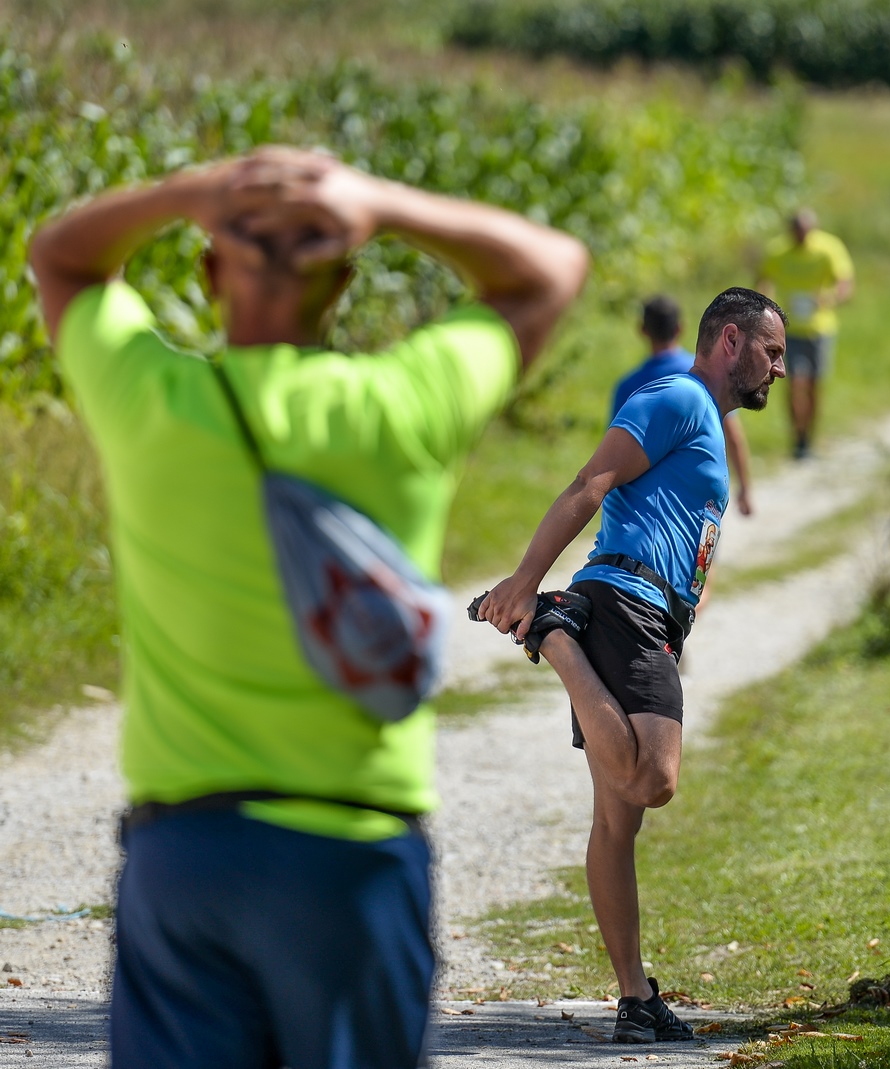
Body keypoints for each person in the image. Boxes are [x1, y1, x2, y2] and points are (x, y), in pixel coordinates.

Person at [28, 147, 589, 1067]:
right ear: (346, 278)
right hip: (354, 855)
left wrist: (195, 192)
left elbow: (62, 257)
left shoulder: (156, 403)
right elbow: (547, 271)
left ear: (209, 272)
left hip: (188, 849)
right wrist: (375, 200)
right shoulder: (401, 405)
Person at [474, 288, 786, 1044]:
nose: (780, 369)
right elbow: (590, 483)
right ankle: (550, 634)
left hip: (648, 614)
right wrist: (525, 581)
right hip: (621, 600)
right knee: (652, 778)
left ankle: (634, 998)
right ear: (731, 340)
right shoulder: (678, 395)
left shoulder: (705, 421)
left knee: (618, 822)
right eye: (772, 353)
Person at [614, 294, 753, 516]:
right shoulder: (707, 376)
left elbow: (615, 452)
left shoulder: (628, 386)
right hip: (697, 499)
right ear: (680, 328)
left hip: (645, 506)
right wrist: (744, 488)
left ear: (642, 330)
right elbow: (732, 434)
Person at [755, 209, 852, 459]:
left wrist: (830, 298)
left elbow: (845, 282)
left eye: (805, 234)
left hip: (820, 328)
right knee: (793, 382)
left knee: (814, 387)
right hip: (788, 332)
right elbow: (763, 280)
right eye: (796, 234)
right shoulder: (778, 250)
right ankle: (797, 438)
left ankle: (810, 436)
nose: (800, 239)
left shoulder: (828, 247)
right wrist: (766, 310)